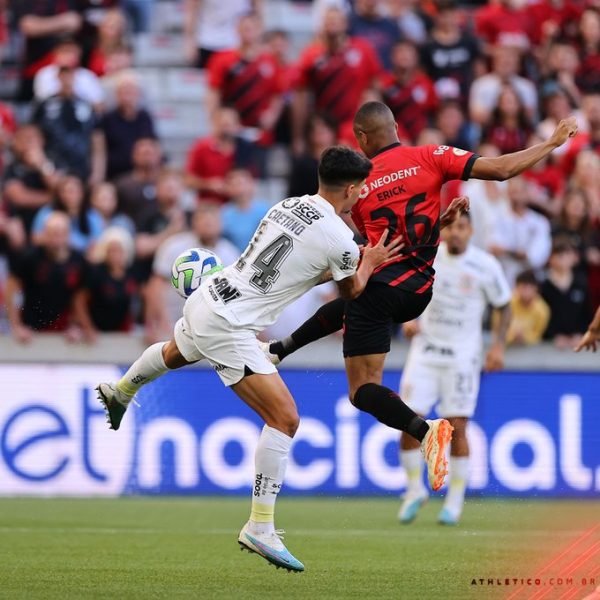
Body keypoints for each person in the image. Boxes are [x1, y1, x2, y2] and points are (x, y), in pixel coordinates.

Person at [96, 146, 417, 572]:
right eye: (361, 189)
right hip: (230, 324)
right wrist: (370, 261)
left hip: (210, 296)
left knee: (176, 353)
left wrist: (350, 264)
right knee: (285, 418)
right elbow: (351, 292)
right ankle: (260, 526)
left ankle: (121, 390)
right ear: (354, 189)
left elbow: (299, 266)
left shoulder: (287, 205)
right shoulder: (341, 238)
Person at [264, 102, 577, 487]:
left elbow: (362, 237)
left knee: (362, 389)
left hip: (381, 288)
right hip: (420, 290)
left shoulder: (358, 183)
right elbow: (501, 170)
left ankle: (426, 431)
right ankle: (279, 350)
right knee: (349, 300)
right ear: (395, 127)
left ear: (361, 138)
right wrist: (550, 144)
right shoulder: (432, 155)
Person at [398, 211, 511, 526]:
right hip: (425, 352)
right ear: (442, 231)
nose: (455, 233)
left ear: (471, 230)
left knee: (457, 426)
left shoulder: (485, 265)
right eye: (449, 227)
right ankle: (413, 490)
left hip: (462, 357)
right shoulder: (427, 258)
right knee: (406, 420)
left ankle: (455, 503)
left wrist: (498, 345)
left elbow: (504, 304)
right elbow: (407, 294)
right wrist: (408, 319)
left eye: (461, 227)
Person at [144, 203, 238, 343]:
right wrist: (153, 325)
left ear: (221, 225)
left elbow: (238, 297)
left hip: (211, 331)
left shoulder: (231, 255)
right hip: (171, 324)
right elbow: (155, 287)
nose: (208, 225)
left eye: (212, 221)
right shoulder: (174, 247)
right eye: (203, 221)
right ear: (194, 223)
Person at [6, 211, 88, 342]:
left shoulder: (79, 261)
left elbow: (80, 298)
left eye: (60, 233)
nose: (56, 239)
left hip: (65, 332)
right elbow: (10, 291)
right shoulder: (29, 258)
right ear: (44, 233)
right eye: (51, 233)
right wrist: (17, 326)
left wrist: (77, 325)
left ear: (68, 234)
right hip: (31, 330)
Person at [205, 13, 284, 146]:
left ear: (260, 30)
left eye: (252, 28)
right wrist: (214, 121)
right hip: (230, 129)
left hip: (260, 131)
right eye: (244, 28)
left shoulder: (270, 61)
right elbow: (213, 93)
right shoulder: (223, 59)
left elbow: (278, 94)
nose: (248, 32)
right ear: (237, 30)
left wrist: (272, 115)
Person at [31, 61, 106, 185]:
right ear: (57, 77)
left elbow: (97, 139)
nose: (67, 79)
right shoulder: (44, 105)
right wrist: (45, 169)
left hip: (82, 167)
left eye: (70, 75)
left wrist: (98, 172)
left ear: (75, 77)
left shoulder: (87, 105)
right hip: (53, 166)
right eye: (63, 75)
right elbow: (33, 138)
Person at [101, 71, 157, 180]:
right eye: (124, 92)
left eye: (131, 91)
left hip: (140, 173)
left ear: (138, 94)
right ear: (117, 95)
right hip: (114, 173)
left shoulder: (144, 117)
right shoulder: (108, 119)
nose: (128, 96)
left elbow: (150, 143)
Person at [31, 175, 104, 254]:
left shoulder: (91, 215)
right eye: (65, 191)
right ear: (59, 193)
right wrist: (57, 239)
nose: (69, 196)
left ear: (82, 193)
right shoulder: (47, 212)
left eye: (74, 191)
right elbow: (36, 239)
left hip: (84, 260)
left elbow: (99, 242)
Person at [540, 238, 590, 350]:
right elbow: (541, 314)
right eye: (559, 254)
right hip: (549, 345)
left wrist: (581, 333)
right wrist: (553, 335)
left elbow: (586, 312)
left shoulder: (581, 283)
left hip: (577, 342)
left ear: (574, 257)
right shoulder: (544, 286)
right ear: (551, 258)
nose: (563, 258)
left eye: (567, 254)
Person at [221, 169, 271, 251]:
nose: (239, 189)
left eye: (241, 183)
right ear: (228, 188)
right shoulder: (223, 213)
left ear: (251, 185)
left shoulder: (266, 210)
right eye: (234, 185)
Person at [501, 270, 550, 347]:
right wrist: (512, 336)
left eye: (530, 288)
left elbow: (538, 334)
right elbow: (498, 328)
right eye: (524, 287)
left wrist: (525, 337)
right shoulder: (506, 304)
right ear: (516, 287)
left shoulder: (542, 310)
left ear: (536, 289)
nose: (527, 292)